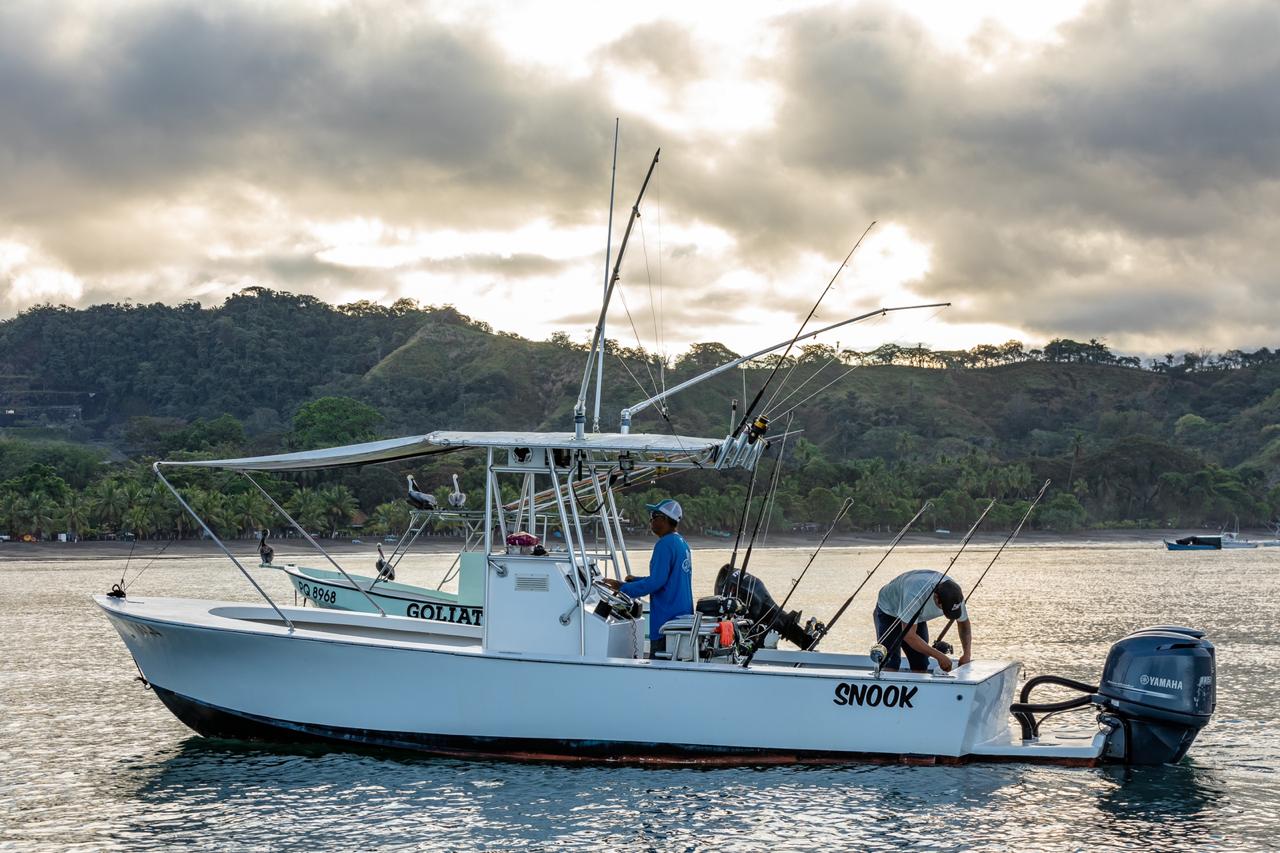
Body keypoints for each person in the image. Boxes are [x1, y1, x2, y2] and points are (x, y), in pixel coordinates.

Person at [603, 498, 693, 657]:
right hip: (681, 617)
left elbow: (656, 582)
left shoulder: (664, 544)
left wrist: (622, 588)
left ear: (664, 519)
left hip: (666, 621)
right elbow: (667, 579)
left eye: (653, 515)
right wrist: (635, 580)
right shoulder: (681, 543)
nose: (650, 520)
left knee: (659, 668)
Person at [873, 569, 972, 672]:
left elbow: (964, 624)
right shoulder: (914, 595)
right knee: (890, 663)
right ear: (936, 598)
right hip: (890, 610)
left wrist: (967, 654)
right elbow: (909, 636)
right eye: (945, 608)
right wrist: (939, 656)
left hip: (917, 615)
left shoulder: (956, 596)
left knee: (921, 662)